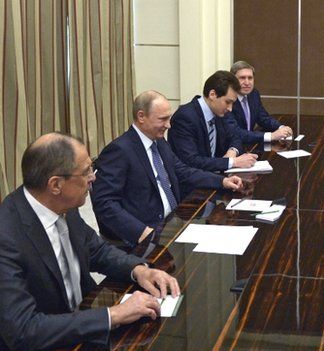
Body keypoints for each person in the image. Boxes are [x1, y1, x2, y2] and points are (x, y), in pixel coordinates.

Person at [0, 133, 181, 351]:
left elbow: (97, 251)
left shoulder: (65, 207)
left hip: (85, 325)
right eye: (86, 171)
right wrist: (112, 315)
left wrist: (139, 270)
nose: (94, 177)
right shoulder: (7, 236)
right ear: (55, 185)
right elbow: (23, 330)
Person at [91, 91, 243, 247]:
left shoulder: (160, 142)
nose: (169, 125)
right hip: (144, 235)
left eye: (168, 118)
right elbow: (104, 202)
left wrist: (222, 181)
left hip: (173, 223)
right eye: (162, 119)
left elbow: (182, 171)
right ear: (141, 116)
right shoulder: (119, 150)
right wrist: (140, 231)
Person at [168, 70, 258, 172]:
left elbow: (235, 137)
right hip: (193, 184)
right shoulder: (185, 117)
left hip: (216, 177)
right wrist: (233, 162)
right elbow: (190, 161)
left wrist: (232, 151)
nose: (230, 108)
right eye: (228, 102)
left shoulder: (220, 112)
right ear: (212, 94)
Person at [228, 61, 293, 144]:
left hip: (249, 146)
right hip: (232, 148)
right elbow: (236, 132)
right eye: (242, 78)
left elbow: (263, 118)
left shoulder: (253, 94)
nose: (247, 82)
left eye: (250, 78)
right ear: (232, 80)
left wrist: (281, 128)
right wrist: (271, 136)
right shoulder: (228, 100)